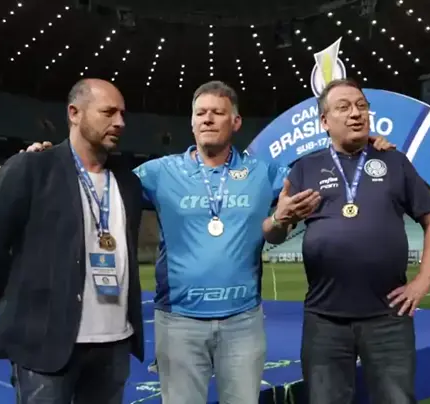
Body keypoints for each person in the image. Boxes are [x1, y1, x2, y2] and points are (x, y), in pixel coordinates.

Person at [25, 79, 394, 403]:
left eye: (217, 113)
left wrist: (365, 146)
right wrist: (52, 158)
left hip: (243, 321)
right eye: (200, 113)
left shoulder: (263, 172)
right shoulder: (159, 172)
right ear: (191, 122)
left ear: (235, 122)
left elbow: (327, 175)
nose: (207, 119)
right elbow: (94, 177)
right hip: (178, 322)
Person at [266, 78, 430, 404]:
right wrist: (280, 218)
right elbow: (274, 235)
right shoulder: (305, 168)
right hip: (324, 320)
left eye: (362, 106)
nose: (356, 113)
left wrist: (424, 279)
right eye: (344, 107)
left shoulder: (394, 161)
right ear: (325, 121)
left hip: (388, 316)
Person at [0, 78, 145, 404]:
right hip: (44, 345)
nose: (120, 122)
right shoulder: (33, 168)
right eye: (108, 112)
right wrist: (20, 308)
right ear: (74, 113)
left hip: (114, 345)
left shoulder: (128, 182)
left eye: (122, 113)